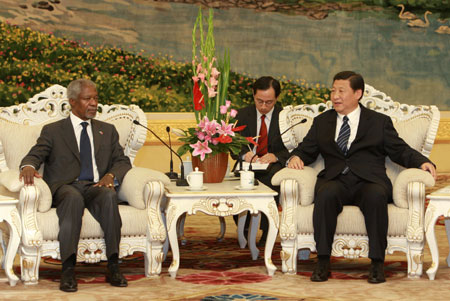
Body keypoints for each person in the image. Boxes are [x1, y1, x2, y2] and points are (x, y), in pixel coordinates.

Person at [287, 71, 436, 283]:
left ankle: (376, 263)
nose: (335, 96)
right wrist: (295, 157)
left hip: (369, 180)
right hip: (335, 180)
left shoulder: (379, 122)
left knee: (376, 197)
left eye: (341, 91)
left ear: (358, 93)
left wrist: (422, 161)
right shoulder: (322, 122)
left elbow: (399, 149)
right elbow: (306, 149)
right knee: (325, 195)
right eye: (333, 91)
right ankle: (322, 261)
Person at [20, 79, 132, 292]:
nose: (93, 103)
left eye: (96, 98)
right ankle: (68, 269)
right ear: (72, 102)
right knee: (72, 198)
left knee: (109, 196)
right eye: (87, 98)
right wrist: (27, 166)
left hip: (95, 186)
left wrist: (110, 176)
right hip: (66, 186)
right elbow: (36, 154)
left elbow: (122, 161)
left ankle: (114, 265)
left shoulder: (107, 130)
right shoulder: (53, 131)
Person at [232, 76, 289, 245]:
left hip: (272, 166)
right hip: (248, 164)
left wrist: (276, 156)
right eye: (259, 101)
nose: (264, 106)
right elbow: (232, 144)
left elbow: (295, 147)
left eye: (269, 102)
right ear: (253, 95)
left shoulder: (284, 116)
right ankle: (245, 226)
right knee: (238, 183)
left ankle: (267, 229)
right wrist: (245, 154)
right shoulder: (242, 114)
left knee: (270, 181)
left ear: (276, 98)